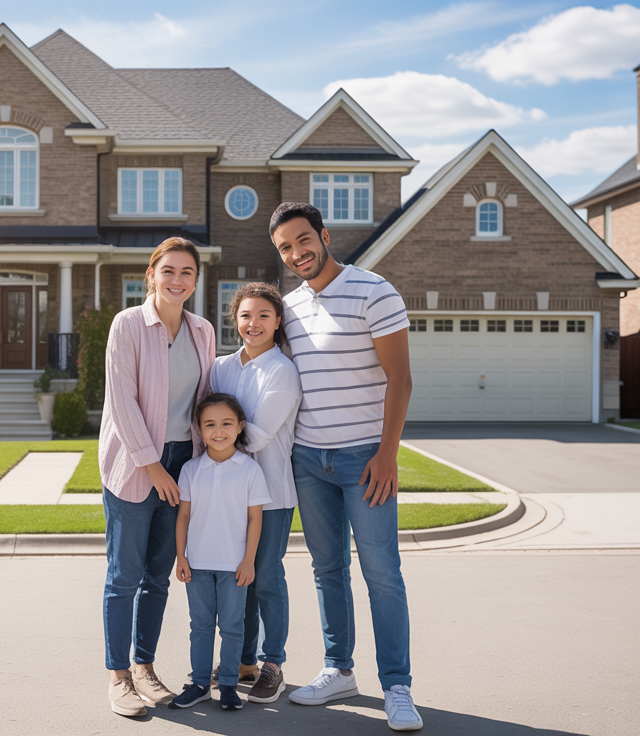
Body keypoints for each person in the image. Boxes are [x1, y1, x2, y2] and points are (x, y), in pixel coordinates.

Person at [268, 202, 423, 731]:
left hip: (365, 459)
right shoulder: (288, 307)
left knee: (382, 572)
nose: (297, 253)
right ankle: (339, 670)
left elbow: (400, 380)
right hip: (309, 461)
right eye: (285, 248)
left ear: (324, 235)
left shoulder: (374, 291)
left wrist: (386, 453)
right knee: (326, 568)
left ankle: (398, 687)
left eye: (303, 240)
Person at [98, 237, 215, 718]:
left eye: (187, 272)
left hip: (183, 462)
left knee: (159, 577)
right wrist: (152, 467)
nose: (178, 280)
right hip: (133, 464)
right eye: (169, 270)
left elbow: (206, 398)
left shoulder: (202, 330)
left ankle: (144, 666)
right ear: (152, 274)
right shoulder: (127, 324)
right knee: (124, 576)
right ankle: (118, 676)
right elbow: (122, 402)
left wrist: (200, 464)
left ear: (195, 280)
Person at [209, 282, 301, 704]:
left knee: (265, 577)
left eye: (264, 315)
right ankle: (243, 661)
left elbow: (258, 435)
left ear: (277, 321)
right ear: (235, 320)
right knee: (236, 576)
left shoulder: (283, 371)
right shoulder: (221, 368)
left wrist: (219, 441)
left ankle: (272, 664)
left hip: (269, 495)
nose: (254, 323)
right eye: (246, 315)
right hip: (226, 497)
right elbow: (209, 421)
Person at [169, 393, 273, 712]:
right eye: (209, 424)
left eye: (227, 423)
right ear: (199, 430)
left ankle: (228, 684)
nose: (218, 431)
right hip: (197, 563)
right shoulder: (190, 470)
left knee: (231, 626)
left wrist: (248, 560)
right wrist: (181, 556)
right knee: (199, 625)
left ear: (240, 427)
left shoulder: (249, 470)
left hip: (234, 566)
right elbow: (183, 516)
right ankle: (200, 683)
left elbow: (256, 518)